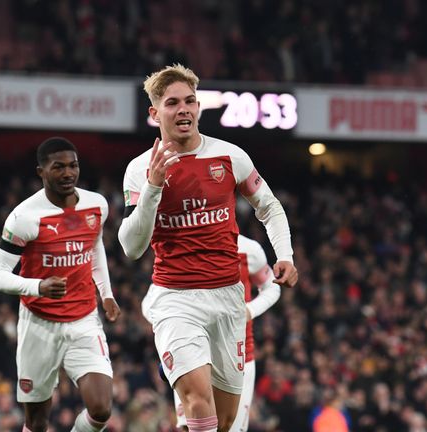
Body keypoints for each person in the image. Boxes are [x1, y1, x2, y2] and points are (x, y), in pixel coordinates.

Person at [119, 64, 298, 432]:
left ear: (198, 107)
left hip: (228, 298)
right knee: (197, 401)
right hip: (176, 299)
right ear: (155, 114)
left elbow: (270, 207)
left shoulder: (230, 156)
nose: (183, 109)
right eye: (172, 103)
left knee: (224, 422)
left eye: (190, 101)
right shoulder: (140, 170)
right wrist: (153, 187)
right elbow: (132, 247)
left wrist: (285, 255)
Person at [0, 137, 121, 432]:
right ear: (41, 172)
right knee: (36, 422)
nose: (67, 173)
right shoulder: (24, 218)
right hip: (39, 325)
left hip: (83, 320)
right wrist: (38, 287)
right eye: (58, 167)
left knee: (101, 410)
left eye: (73, 166)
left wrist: (106, 293)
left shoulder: (96, 205)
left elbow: (95, 246)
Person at [168, 234, 282, 431]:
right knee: (190, 427)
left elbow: (272, 286)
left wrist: (250, 310)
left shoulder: (248, 249)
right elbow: (157, 294)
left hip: (239, 353)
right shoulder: (184, 241)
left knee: (229, 428)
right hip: (195, 351)